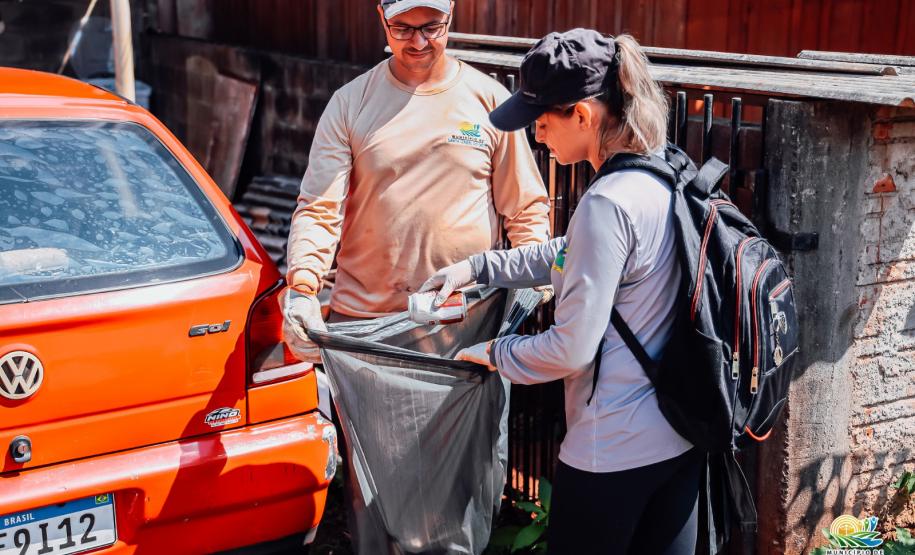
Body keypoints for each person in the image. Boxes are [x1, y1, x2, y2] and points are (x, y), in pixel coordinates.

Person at [420, 29, 701, 555]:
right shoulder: (661, 173)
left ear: (584, 115)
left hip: (610, 455)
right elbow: (570, 252)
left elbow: (572, 348)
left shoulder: (607, 203)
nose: (536, 136)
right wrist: (479, 267)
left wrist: (492, 353)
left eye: (542, 121)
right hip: (679, 441)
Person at [280, 0, 551, 365]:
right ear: (381, 18)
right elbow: (320, 208)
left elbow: (524, 208)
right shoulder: (349, 104)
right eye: (403, 29)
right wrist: (301, 289)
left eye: (431, 28)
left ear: (450, 16)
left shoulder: (489, 102)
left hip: (463, 323)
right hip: (366, 325)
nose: (419, 43)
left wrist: (534, 274)